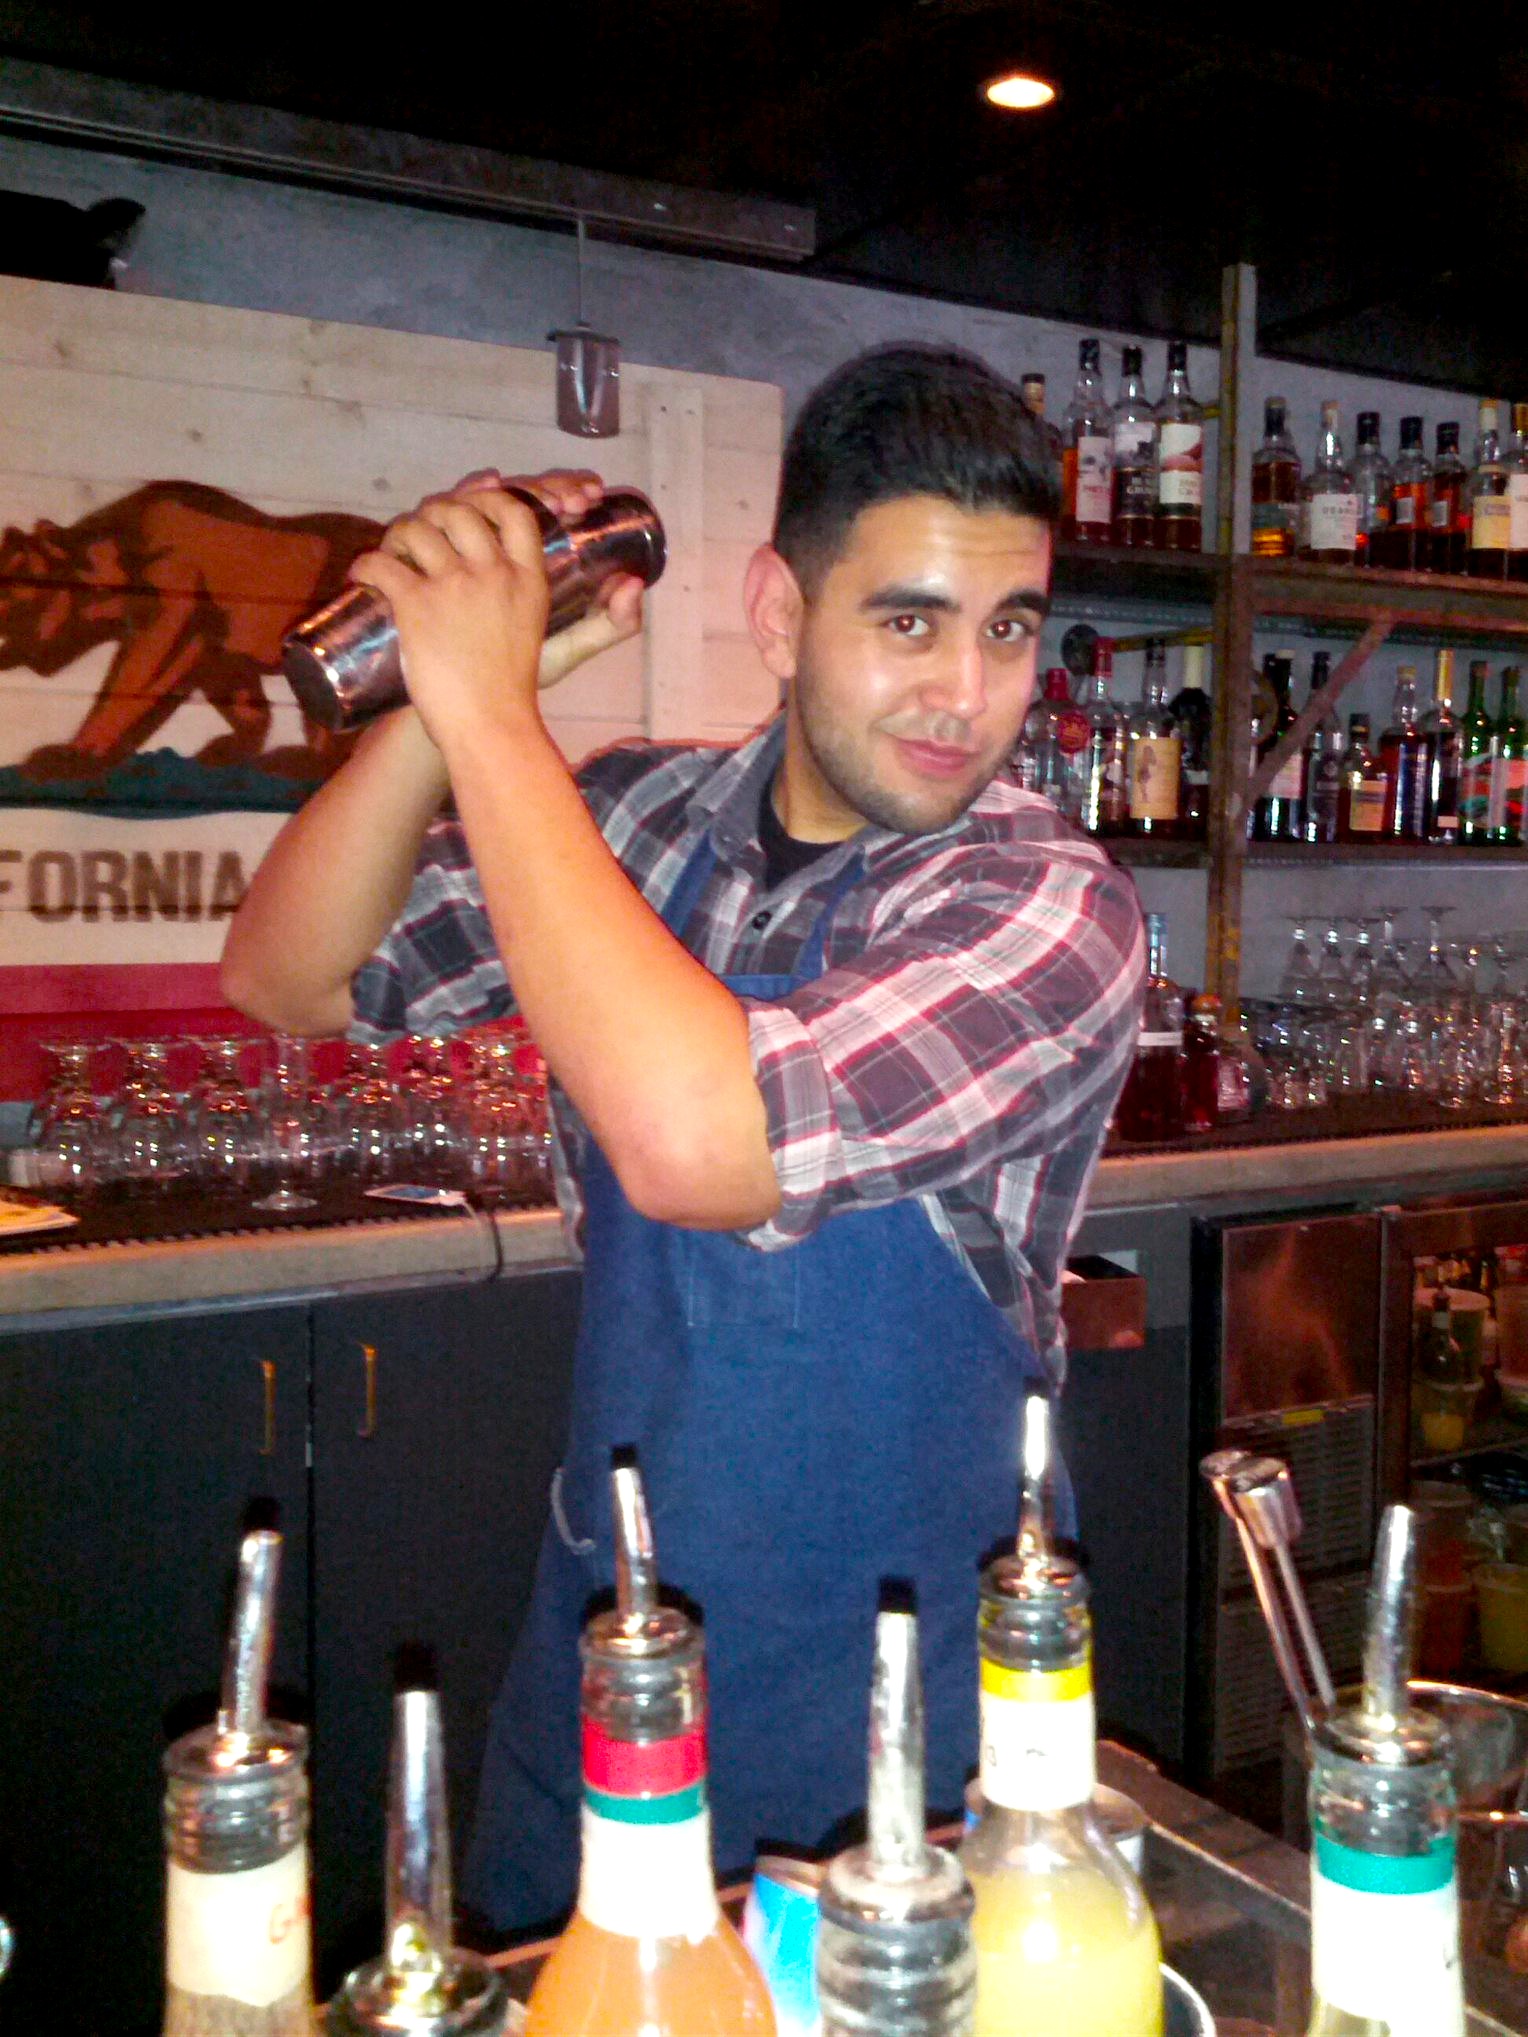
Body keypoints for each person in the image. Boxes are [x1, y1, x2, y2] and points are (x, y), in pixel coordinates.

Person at [221, 343, 1145, 1932]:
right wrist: (444, 704)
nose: (967, 692)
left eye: (1008, 628)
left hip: (908, 1743)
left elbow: (701, 1142)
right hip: (614, 1673)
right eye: (908, 622)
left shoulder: (1048, 904)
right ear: (780, 615)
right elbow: (286, 975)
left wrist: (492, 710)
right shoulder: (638, 820)